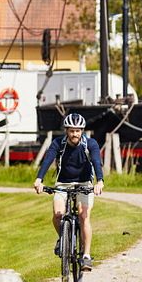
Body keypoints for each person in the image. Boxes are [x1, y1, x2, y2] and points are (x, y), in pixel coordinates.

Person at [33, 112, 104, 271]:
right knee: (58, 215)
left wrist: (99, 181)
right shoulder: (58, 143)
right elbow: (48, 160)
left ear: (82, 131)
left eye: (78, 131)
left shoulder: (90, 144)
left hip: (85, 184)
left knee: (83, 215)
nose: (75, 134)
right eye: (72, 131)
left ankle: (86, 255)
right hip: (63, 184)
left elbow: (96, 162)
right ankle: (64, 238)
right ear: (66, 131)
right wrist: (39, 179)